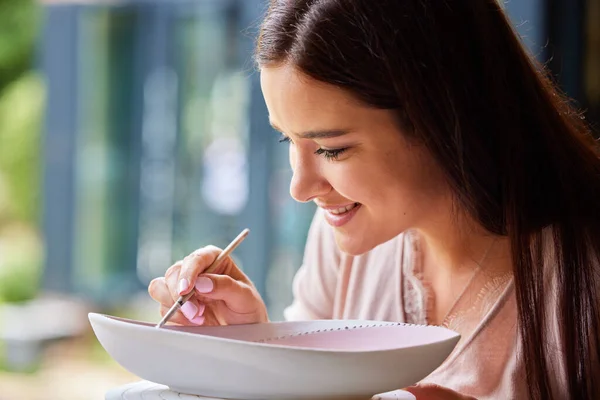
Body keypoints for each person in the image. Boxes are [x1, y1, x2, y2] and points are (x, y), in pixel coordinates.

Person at [148, 0, 600, 399]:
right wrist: (256, 349)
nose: (300, 189)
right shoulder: (342, 234)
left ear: (441, 119)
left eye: (331, 149)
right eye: (287, 140)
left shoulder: (583, 272)